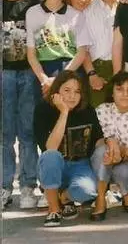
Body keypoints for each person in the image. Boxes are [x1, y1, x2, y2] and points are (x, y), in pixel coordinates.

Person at [1, 0, 44, 209]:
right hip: (4, 73)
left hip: (29, 72)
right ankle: (4, 185)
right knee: (5, 133)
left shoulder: (37, 2)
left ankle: (28, 184)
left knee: (28, 131)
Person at [34, 71, 101, 227]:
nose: (72, 96)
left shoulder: (87, 109)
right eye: (67, 90)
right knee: (51, 155)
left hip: (80, 164)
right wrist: (64, 112)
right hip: (54, 165)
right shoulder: (43, 109)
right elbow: (50, 148)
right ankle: (54, 209)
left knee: (88, 192)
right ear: (56, 90)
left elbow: (98, 139)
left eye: (77, 91)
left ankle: (63, 197)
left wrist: (110, 145)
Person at [90, 71, 128, 221]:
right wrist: (118, 149)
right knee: (103, 151)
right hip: (104, 160)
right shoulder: (102, 110)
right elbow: (101, 139)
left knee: (123, 170)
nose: (125, 94)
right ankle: (100, 197)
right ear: (112, 93)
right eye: (119, 89)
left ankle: (126, 191)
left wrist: (123, 153)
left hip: (127, 163)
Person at [27, 0, 86, 94]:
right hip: (43, 71)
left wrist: (60, 79)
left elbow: (81, 52)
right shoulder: (32, 13)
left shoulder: (77, 15)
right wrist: (44, 80)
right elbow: (31, 54)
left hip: (70, 69)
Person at [77, 0, 127, 108]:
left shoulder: (127, 8)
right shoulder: (88, 10)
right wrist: (92, 74)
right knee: (99, 113)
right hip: (97, 68)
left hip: (124, 67)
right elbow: (83, 47)